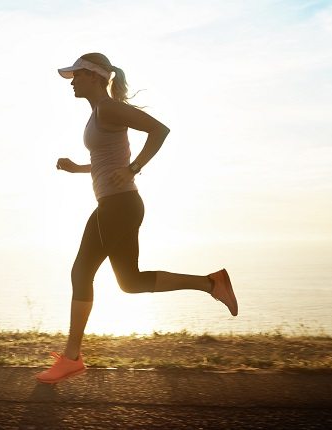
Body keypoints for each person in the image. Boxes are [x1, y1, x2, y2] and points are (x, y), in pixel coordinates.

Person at [35, 53, 238, 384]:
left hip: (120, 205)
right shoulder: (99, 114)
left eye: (77, 75)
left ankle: (72, 358)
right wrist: (78, 169)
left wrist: (134, 168)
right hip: (115, 204)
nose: (72, 81)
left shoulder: (109, 109)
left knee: (87, 273)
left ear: (95, 77)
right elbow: (106, 161)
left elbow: (159, 130)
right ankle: (210, 283)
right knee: (126, 281)